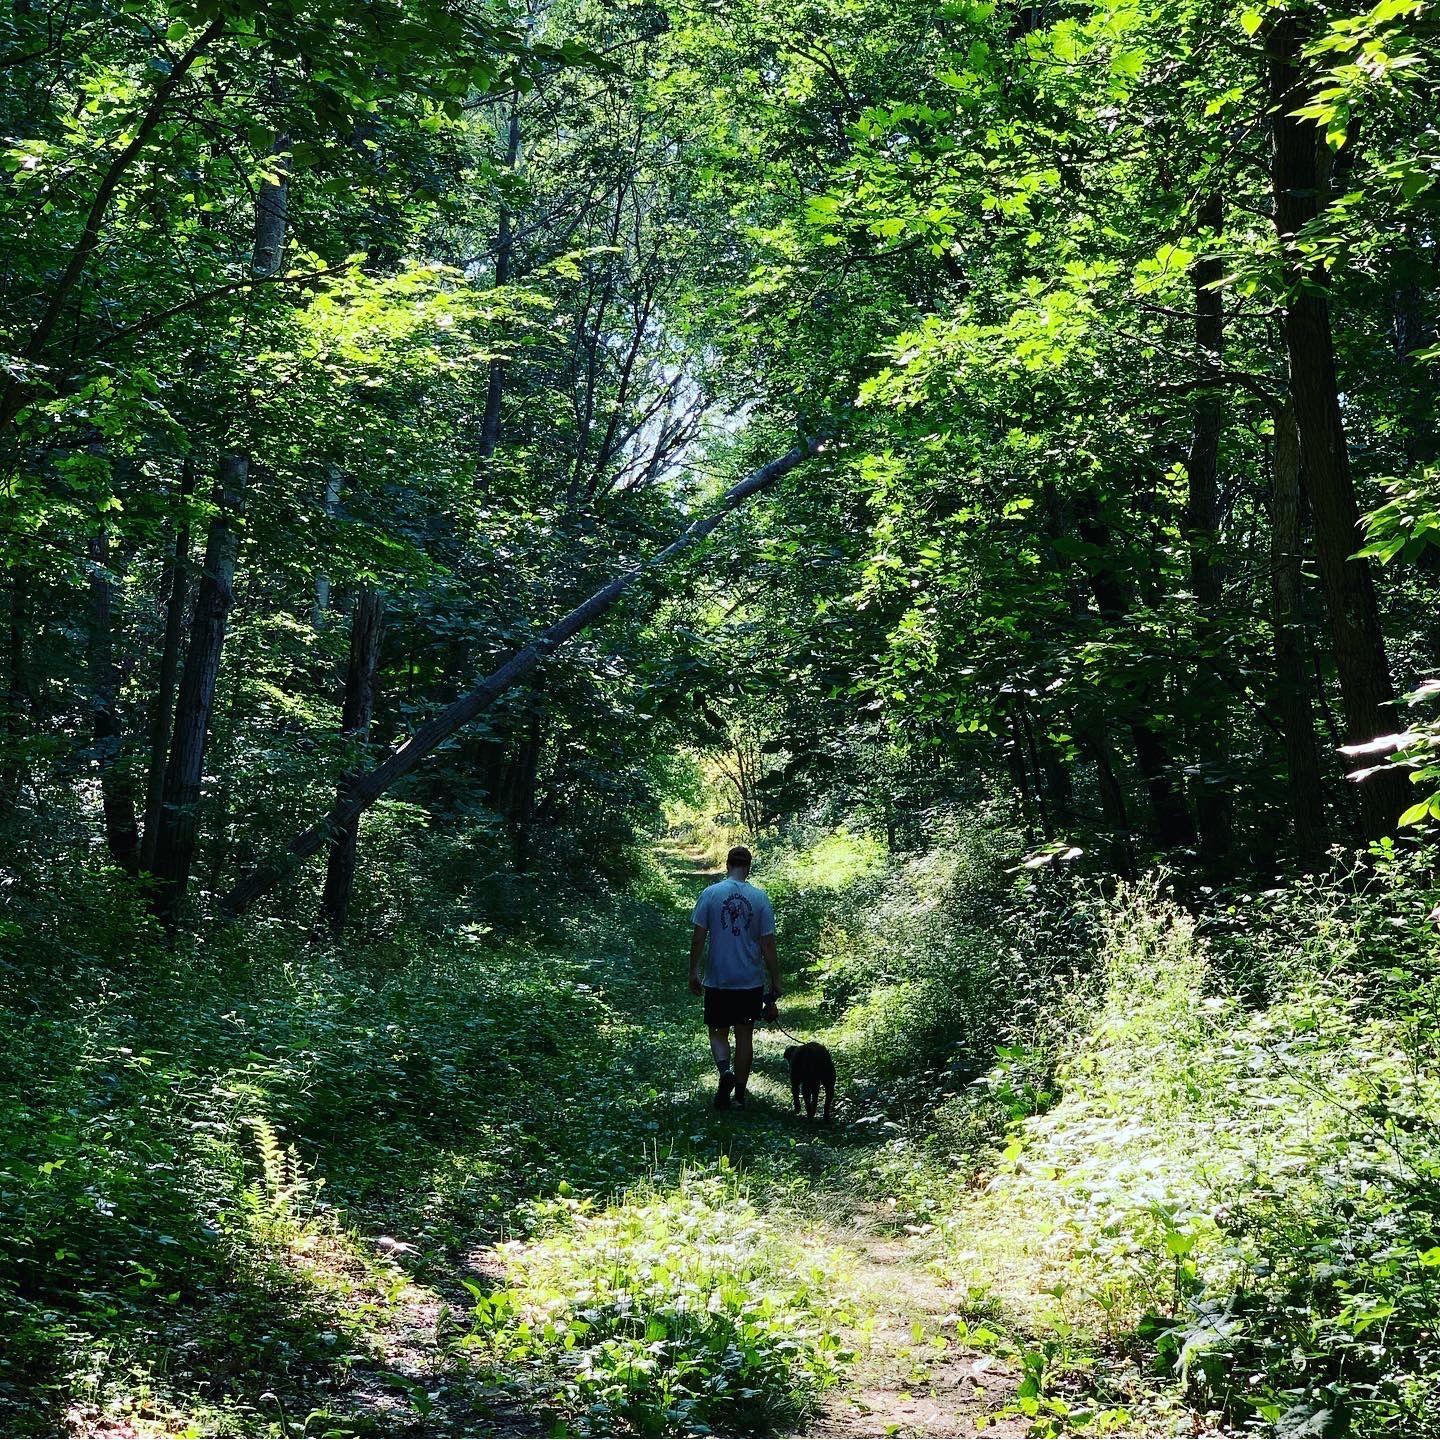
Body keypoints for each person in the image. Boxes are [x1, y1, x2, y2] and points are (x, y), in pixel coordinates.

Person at [688, 845, 781, 1109]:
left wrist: (693, 971)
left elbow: (698, 938)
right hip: (749, 980)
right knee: (744, 1036)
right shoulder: (760, 898)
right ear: (748, 867)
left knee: (718, 1032)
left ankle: (724, 1071)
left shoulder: (710, 894)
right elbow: (768, 944)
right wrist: (776, 980)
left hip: (718, 979)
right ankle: (739, 1095)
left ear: (728, 865)